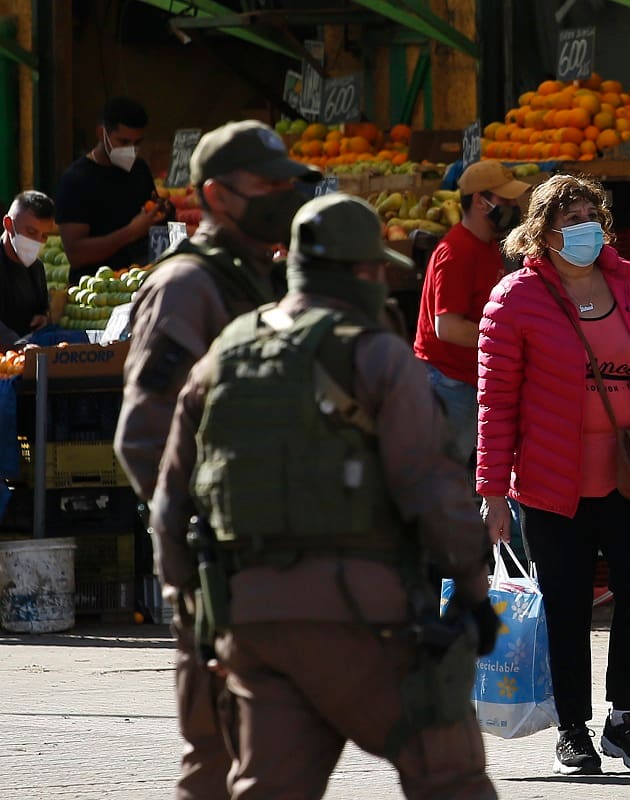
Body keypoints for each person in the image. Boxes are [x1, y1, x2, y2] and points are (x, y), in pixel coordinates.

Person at [149, 192, 498, 800]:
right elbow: (433, 491)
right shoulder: (377, 355)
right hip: (364, 621)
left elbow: (169, 505)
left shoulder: (227, 353)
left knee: (268, 789)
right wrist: (471, 594)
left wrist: (201, 616)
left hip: (253, 623)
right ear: (364, 271)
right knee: (450, 775)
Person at [114, 119, 318, 800]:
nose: (283, 195)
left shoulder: (263, 280)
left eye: (287, 184)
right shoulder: (188, 288)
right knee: (220, 755)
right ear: (216, 195)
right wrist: (205, 543)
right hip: (224, 570)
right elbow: (143, 435)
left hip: (280, 560)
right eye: (267, 185)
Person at [476, 174, 630, 775]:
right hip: (552, 482)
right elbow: (495, 405)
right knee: (567, 604)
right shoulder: (514, 298)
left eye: (591, 217)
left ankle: (626, 715)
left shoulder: (629, 283)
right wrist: (493, 493)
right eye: (570, 220)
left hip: (628, 477)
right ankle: (573, 728)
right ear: (543, 232)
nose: (585, 230)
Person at [413, 159, 529, 465]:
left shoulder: (486, 245)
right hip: (449, 383)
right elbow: (447, 328)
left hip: (465, 381)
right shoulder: (456, 253)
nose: (514, 206)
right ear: (481, 202)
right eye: (506, 200)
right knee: (443, 477)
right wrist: (509, 340)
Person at [54, 96, 171, 281]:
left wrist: (160, 214)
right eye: (123, 142)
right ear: (102, 134)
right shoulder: (75, 181)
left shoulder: (139, 170)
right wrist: (131, 232)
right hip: (95, 293)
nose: (131, 149)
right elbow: (76, 255)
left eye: (137, 143)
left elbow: (153, 227)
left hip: (137, 283)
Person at [0, 191, 55, 348]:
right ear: (9, 225)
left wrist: (43, 318)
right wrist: (17, 345)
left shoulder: (36, 268)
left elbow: (41, 309)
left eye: (44, 236)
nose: (37, 242)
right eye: (31, 232)